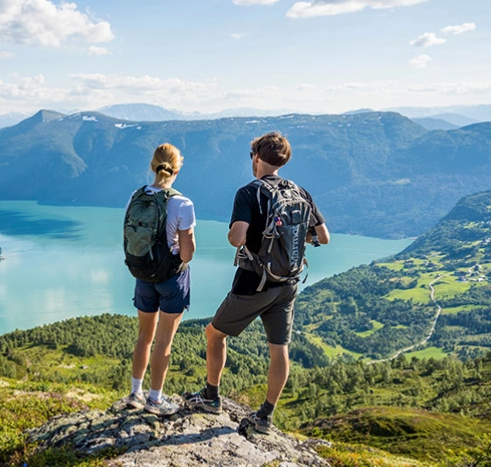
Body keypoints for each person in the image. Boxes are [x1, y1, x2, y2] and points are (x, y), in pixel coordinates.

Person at [184, 132, 329, 433]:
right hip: (288, 283)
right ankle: (265, 415)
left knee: (214, 334)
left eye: (252, 155)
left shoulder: (249, 192)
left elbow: (237, 237)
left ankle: (211, 397)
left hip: (254, 282)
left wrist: (235, 235)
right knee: (279, 349)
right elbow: (323, 237)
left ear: (257, 157)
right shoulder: (300, 191)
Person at [113, 143, 196, 416]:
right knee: (164, 341)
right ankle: (155, 399)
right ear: (178, 168)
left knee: (144, 337)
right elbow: (187, 252)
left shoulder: (136, 196)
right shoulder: (182, 203)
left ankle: (135, 393)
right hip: (171, 279)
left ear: (152, 166)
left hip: (142, 274)